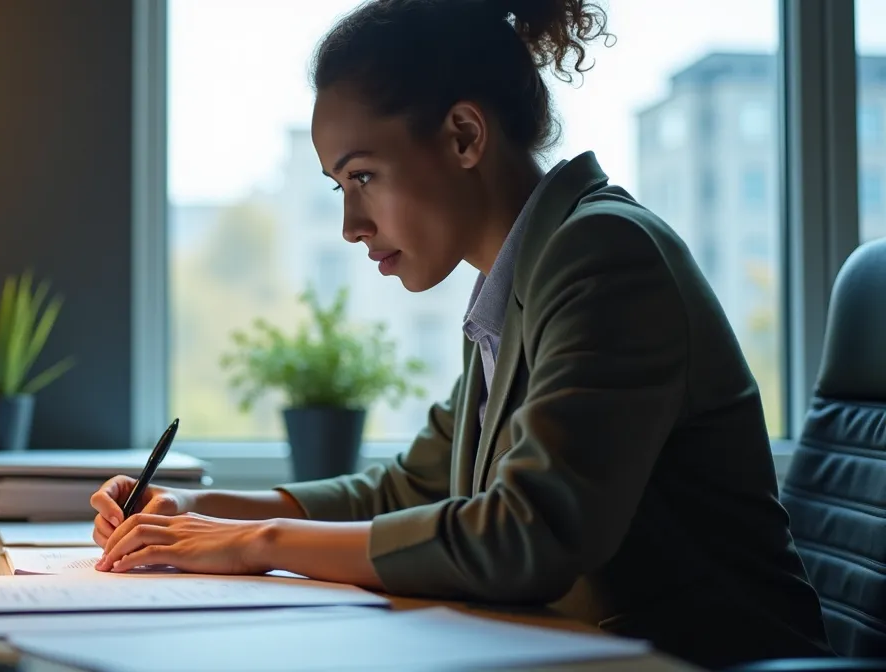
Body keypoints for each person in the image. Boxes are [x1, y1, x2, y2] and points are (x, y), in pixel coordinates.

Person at [91, 0, 831, 667]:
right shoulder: (512, 286)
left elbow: (525, 537)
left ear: (464, 135)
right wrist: (201, 513)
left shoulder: (605, 255)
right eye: (338, 187)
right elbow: (408, 488)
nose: (350, 226)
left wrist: (256, 544)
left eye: (363, 178)